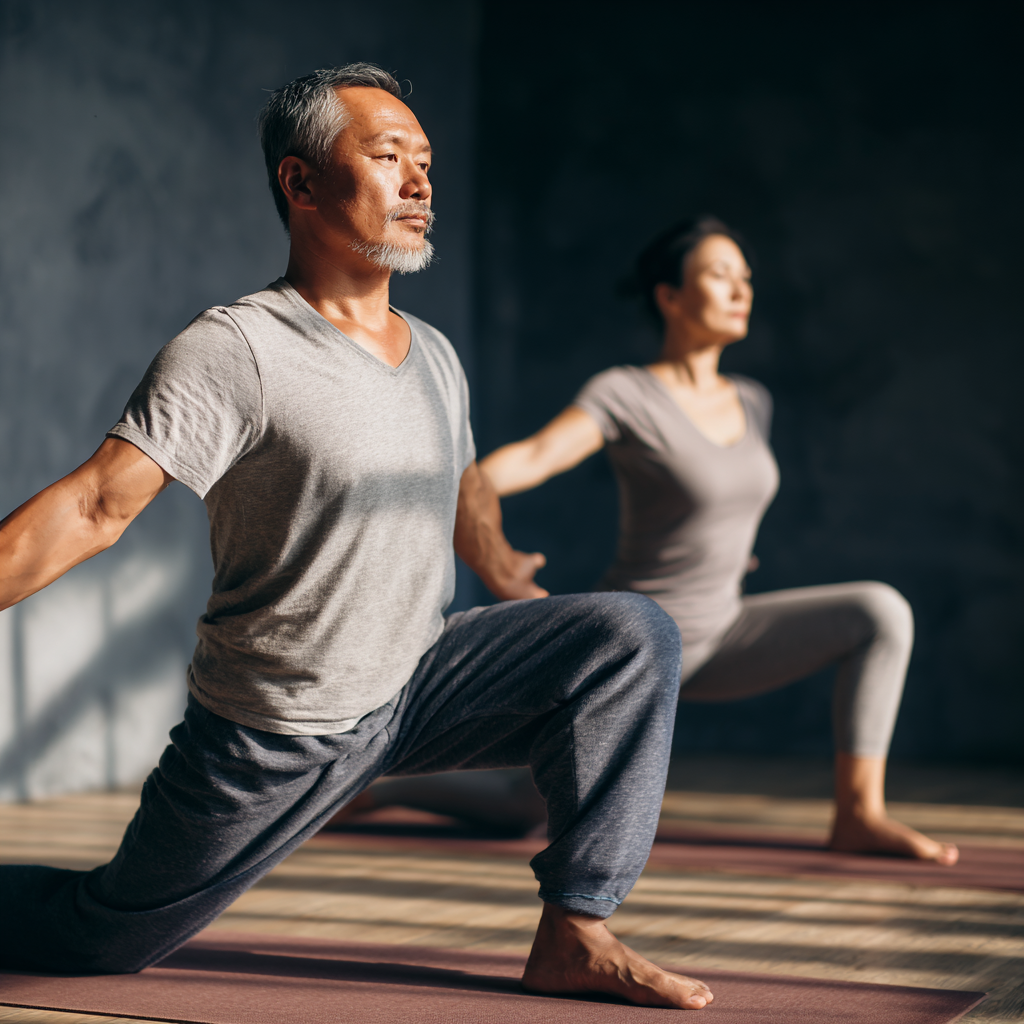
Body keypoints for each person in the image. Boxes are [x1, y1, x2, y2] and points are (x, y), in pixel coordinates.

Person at [0, 66, 715, 1010]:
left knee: (631, 634)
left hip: (424, 678)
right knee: (100, 938)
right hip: (280, 728)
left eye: (426, 163)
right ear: (300, 184)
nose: (420, 184)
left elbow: (461, 484)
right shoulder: (236, 349)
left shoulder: (436, 354)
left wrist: (506, 575)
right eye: (388, 159)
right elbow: (96, 506)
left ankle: (576, 930)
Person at [475, 216, 958, 866]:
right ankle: (376, 787)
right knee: (528, 810)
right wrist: (468, 489)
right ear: (670, 297)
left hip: (724, 632)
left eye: (746, 278)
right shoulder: (626, 392)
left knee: (879, 611)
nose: (741, 290)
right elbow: (535, 456)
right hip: (637, 644)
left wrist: (728, 546)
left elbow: (724, 500)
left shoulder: (752, 401)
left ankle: (858, 813)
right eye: (719, 276)